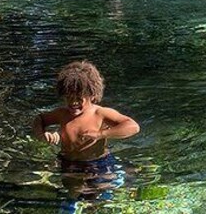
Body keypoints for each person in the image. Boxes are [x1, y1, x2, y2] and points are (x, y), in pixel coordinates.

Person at [32, 61, 141, 200]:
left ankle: (120, 176)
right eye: (69, 98)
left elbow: (133, 126)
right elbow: (39, 119)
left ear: (92, 95)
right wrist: (42, 135)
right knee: (73, 191)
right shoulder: (61, 114)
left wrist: (101, 134)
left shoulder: (100, 113)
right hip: (69, 162)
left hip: (99, 161)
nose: (73, 102)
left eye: (78, 98)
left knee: (101, 191)